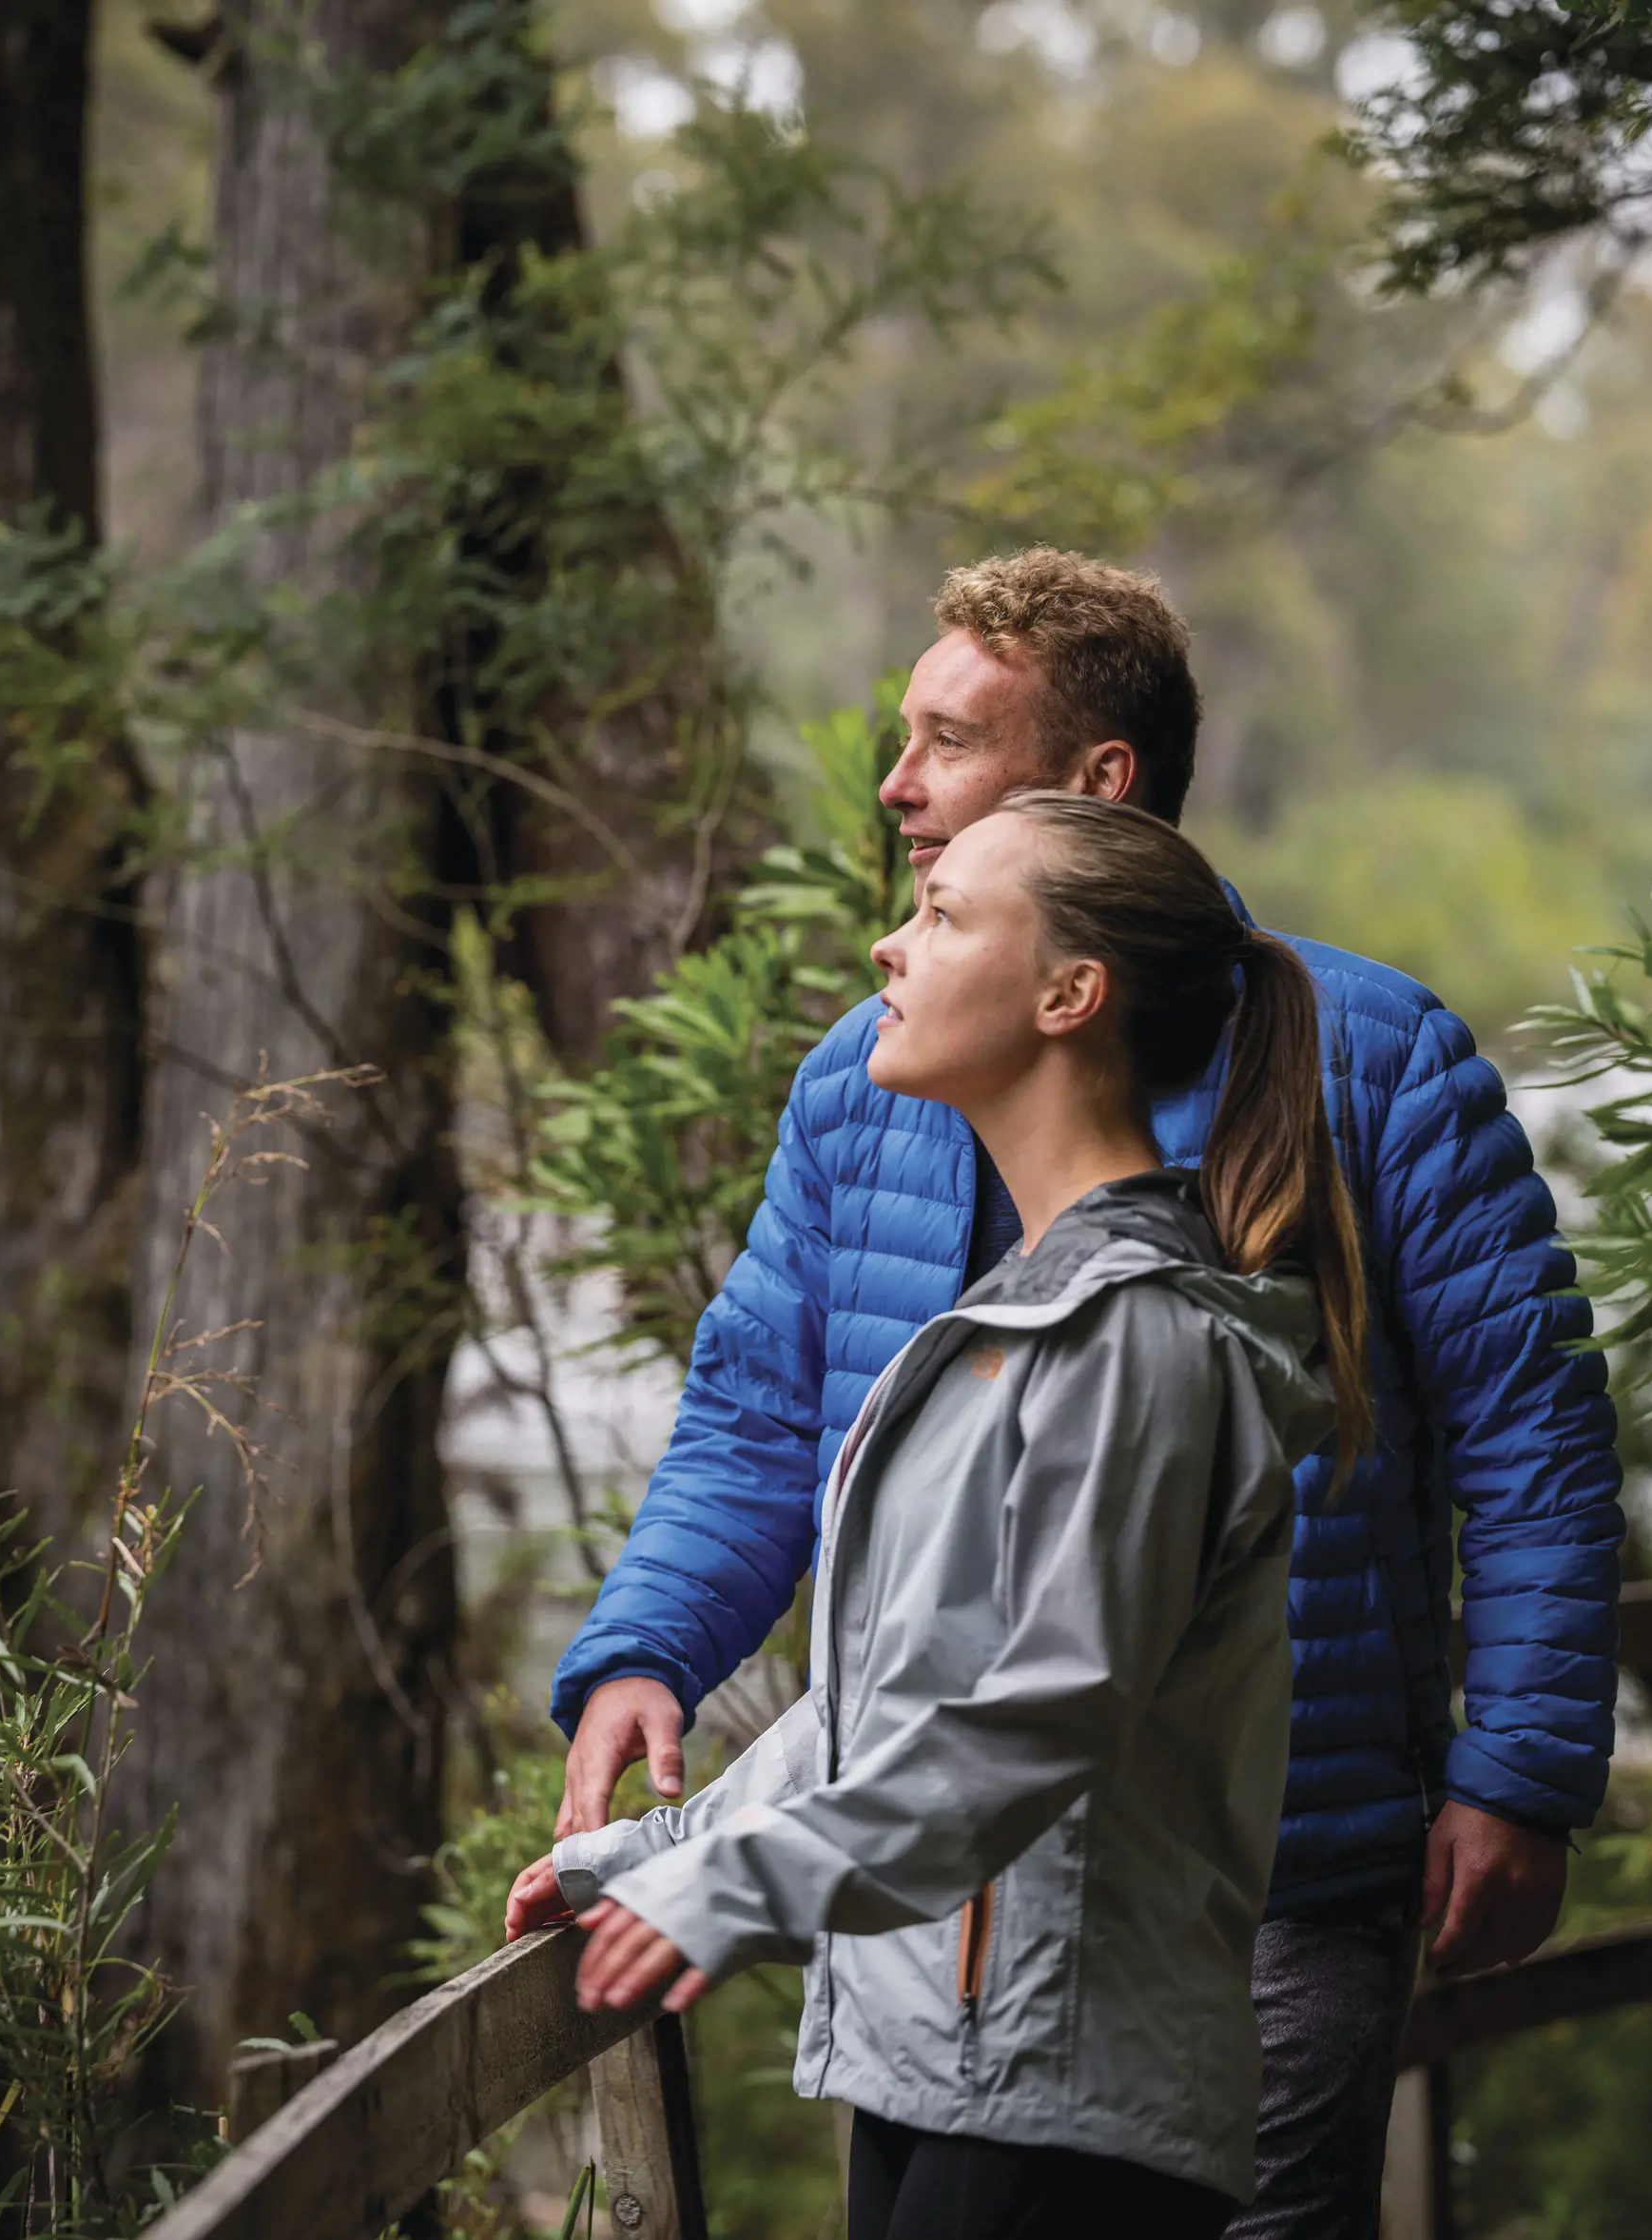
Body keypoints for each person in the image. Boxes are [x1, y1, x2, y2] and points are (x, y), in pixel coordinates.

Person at [550, 549, 1625, 2235]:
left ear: (1095, 780)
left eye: (948, 742)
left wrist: (1521, 1768)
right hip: (921, 1897)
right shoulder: (866, 1074)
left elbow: (1533, 1436)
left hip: (1275, 1861)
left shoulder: (1375, 1062)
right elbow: (764, 1410)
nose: (897, 786)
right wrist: (648, 1644)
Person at [510, 792, 1367, 2238]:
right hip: (947, 2067)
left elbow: (1042, 1714)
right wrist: (659, 1855)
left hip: (1061, 2098)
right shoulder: (1016, 1316)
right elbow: (891, 1697)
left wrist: (738, 1895)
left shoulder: (1133, 1342)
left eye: (945, 914)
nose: (889, 946)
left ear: (1066, 993)